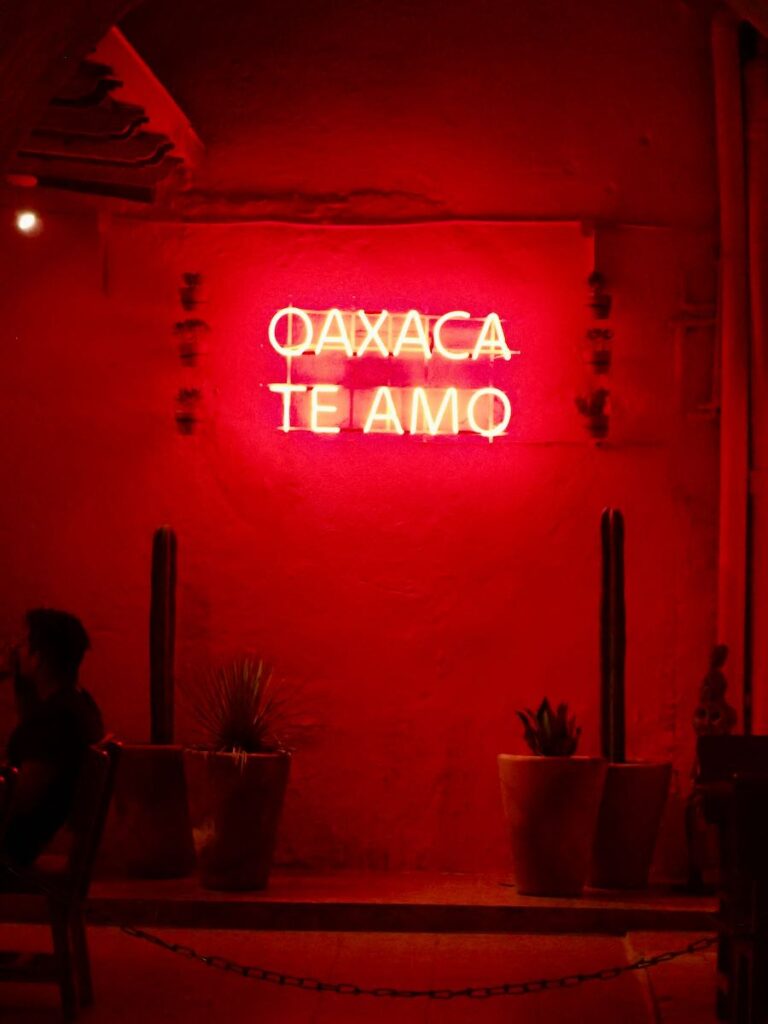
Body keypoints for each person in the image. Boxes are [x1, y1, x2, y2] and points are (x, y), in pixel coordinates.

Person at [0, 609, 104, 867]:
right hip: (22, 844)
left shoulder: (57, 721)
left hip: (12, 852)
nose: (14, 649)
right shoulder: (77, 704)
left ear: (39, 658)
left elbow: (18, 802)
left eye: (22, 643)